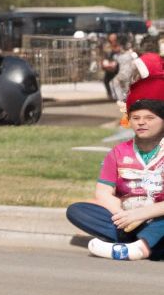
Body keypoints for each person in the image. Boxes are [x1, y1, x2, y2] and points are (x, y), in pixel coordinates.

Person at [65, 96, 164, 261]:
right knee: (77, 211)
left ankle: (141, 248)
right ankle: (141, 243)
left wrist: (140, 214)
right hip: (127, 220)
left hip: (157, 216)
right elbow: (103, 192)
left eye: (149, 118)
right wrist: (123, 216)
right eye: (136, 118)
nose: (141, 123)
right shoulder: (118, 152)